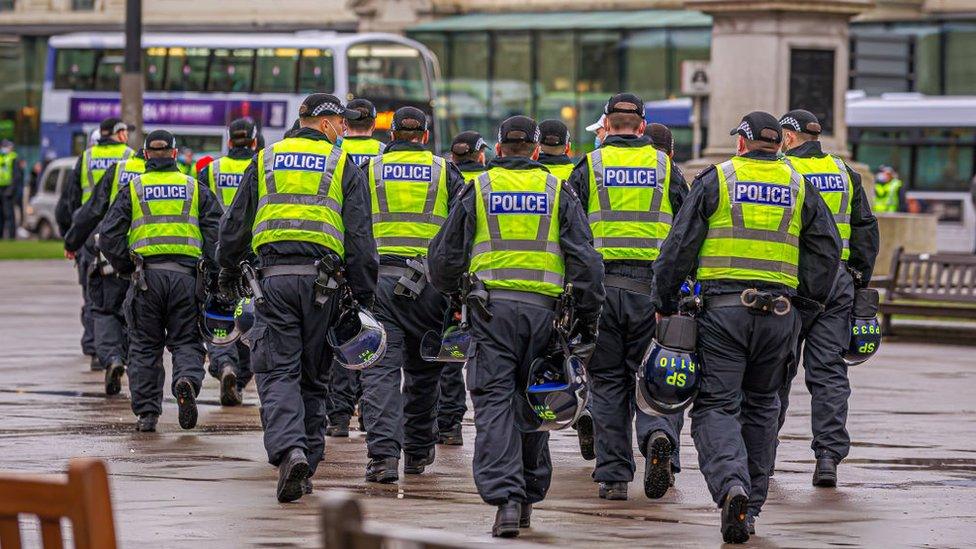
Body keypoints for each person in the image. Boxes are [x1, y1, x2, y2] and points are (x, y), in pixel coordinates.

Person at [651, 111, 840, 543]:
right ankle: (750, 507)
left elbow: (678, 247)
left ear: (742, 143)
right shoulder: (799, 186)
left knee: (716, 406)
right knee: (762, 407)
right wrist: (805, 306)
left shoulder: (717, 178)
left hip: (723, 313)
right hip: (780, 314)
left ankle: (731, 485)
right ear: (778, 144)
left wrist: (663, 303)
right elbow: (827, 251)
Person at [428, 115, 605, 538]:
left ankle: (506, 501)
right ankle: (526, 496)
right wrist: (586, 317)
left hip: (490, 314)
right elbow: (586, 262)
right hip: (545, 316)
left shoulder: (479, 189)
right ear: (536, 149)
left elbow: (444, 259)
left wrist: (454, 295)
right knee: (537, 400)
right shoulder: (558, 191)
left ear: (501, 148)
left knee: (493, 404)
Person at [216, 93, 377, 502]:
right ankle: (308, 463)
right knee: (314, 375)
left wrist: (227, 269)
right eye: (340, 123)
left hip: (272, 282)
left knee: (276, 371)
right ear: (324, 124)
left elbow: (235, 224)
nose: (343, 130)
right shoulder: (343, 165)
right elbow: (359, 237)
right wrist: (363, 296)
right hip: (324, 287)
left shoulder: (266, 158)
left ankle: (292, 450)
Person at [566, 93, 688, 501]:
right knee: (656, 375)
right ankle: (658, 436)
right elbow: (687, 231)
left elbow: (568, 230)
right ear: (641, 125)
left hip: (602, 290)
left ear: (607, 124)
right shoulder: (666, 168)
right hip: (653, 290)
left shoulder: (590, 166)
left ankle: (614, 476)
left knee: (607, 383)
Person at [359, 106, 466, 483]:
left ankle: (384, 457)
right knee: (424, 373)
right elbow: (458, 235)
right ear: (424, 134)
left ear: (391, 136)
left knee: (380, 372)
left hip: (379, 282)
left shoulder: (369, 171)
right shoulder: (444, 171)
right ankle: (418, 451)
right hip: (430, 286)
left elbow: (354, 228)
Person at [777, 109, 879, 487]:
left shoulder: (783, 170)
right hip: (837, 282)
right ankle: (828, 458)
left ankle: (764, 450)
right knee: (829, 373)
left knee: (776, 371)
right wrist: (857, 279)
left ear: (788, 136)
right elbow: (865, 228)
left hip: (794, 279)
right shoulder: (844, 172)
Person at [97, 130, 222, 433]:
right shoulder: (195, 188)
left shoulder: (134, 188)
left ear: (146, 155)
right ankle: (186, 381)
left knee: (144, 346)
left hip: (146, 279)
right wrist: (212, 272)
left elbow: (109, 235)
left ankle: (148, 413)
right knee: (187, 340)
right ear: (175, 154)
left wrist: (127, 267)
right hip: (186, 278)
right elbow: (218, 233)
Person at [64, 141, 148, 396]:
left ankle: (112, 358)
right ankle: (138, 372)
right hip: (149, 264)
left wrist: (72, 241)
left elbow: (91, 211)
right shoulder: (177, 179)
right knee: (143, 320)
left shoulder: (117, 171)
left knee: (104, 310)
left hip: (111, 256)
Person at [324, 98, 385, 436]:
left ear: (345, 126)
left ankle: (337, 418)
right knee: (373, 341)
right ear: (374, 124)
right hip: (377, 255)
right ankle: (368, 412)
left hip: (341, 252)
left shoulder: (336, 154)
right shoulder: (384, 156)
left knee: (346, 338)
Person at [57, 118, 134, 370]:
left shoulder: (86, 157)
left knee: (94, 294)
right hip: (121, 234)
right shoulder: (129, 157)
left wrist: (72, 237)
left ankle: (95, 348)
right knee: (123, 296)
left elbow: (71, 200)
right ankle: (120, 351)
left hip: (90, 234)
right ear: (119, 133)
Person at [197, 117, 259, 406]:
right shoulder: (261, 166)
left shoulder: (211, 171)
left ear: (229, 141)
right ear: (255, 141)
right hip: (253, 255)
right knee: (248, 315)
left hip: (218, 253)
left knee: (220, 317)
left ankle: (225, 365)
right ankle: (242, 376)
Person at [435, 129, 490, 445]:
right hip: (486, 282)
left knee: (450, 354)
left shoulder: (450, 181)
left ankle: (448, 424)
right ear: (481, 154)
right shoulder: (485, 183)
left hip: (450, 279)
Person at [0, 140, 20, 239]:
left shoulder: (13, 157)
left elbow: (16, 176)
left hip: (7, 191)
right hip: (0, 189)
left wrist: (10, 190)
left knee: (9, 214)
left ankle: (11, 236)